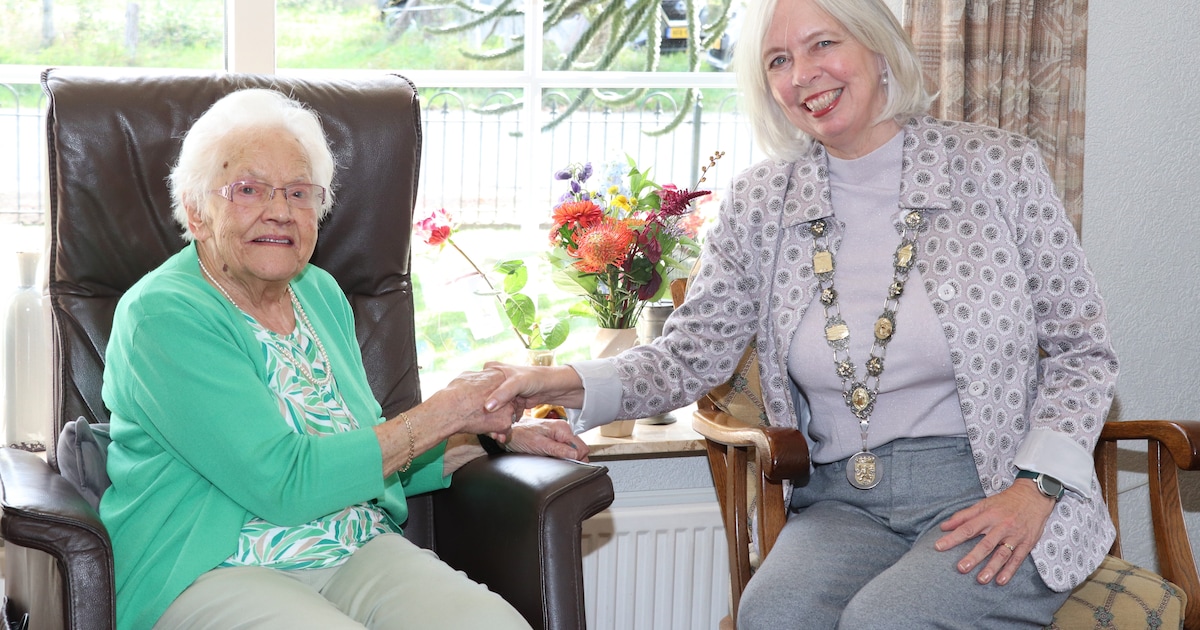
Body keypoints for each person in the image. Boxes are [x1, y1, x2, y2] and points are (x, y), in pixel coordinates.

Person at [483, 0, 1118, 627]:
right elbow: (686, 357)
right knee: (773, 614)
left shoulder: (998, 167)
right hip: (845, 502)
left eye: (823, 45)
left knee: (887, 621)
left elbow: (1082, 351)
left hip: (996, 485)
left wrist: (1035, 490)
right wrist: (554, 383)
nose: (802, 75)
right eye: (779, 60)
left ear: (876, 47)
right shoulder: (762, 202)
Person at [99, 88, 588, 630]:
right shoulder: (163, 315)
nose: (279, 211)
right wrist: (445, 411)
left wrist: (482, 432)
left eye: (298, 192)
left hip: (351, 544)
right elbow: (283, 482)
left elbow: (364, 445)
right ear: (195, 211)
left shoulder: (320, 293)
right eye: (248, 189)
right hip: (212, 565)